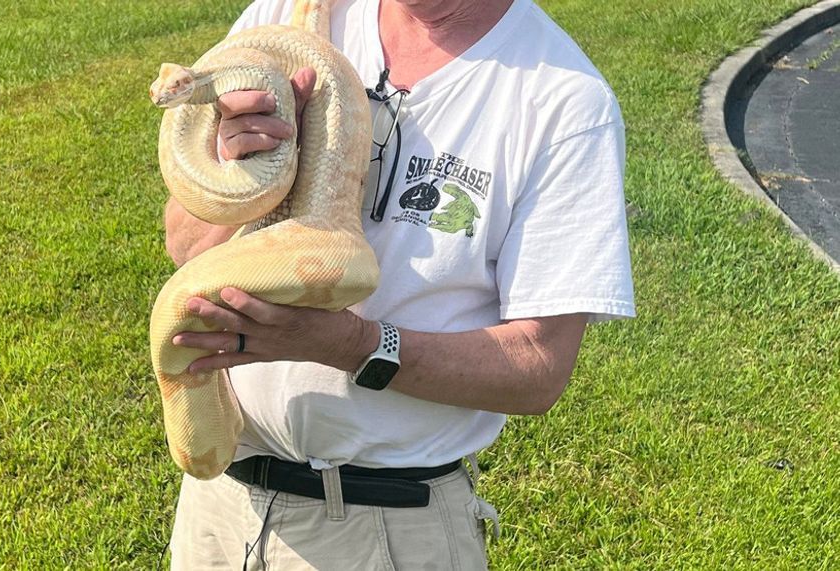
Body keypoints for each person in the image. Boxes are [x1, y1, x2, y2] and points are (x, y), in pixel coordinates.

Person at [163, 0, 635, 568]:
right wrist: (244, 167)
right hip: (220, 510)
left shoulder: (564, 100)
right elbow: (186, 248)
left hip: (389, 532)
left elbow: (538, 369)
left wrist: (351, 346)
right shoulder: (285, 18)